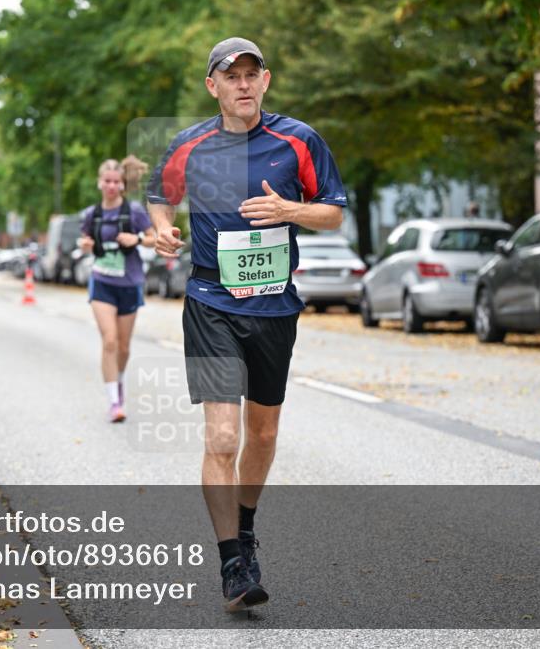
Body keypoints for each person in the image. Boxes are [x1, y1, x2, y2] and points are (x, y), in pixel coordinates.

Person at [147, 37, 347, 611]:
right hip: (210, 299)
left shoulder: (299, 140)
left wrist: (288, 210)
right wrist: (162, 227)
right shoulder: (189, 145)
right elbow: (159, 194)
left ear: (266, 81)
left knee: (261, 435)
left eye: (250, 73)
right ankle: (232, 560)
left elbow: (331, 213)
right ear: (212, 85)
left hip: (274, 305)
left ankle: (247, 526)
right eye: (229, 75)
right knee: (223, 437)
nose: (241, 83)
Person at [79, 159, 156, 423]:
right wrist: (86, 244)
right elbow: (85, 239)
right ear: (100, 182)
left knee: (123, 347)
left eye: (116, 181)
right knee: (109, 340)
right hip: (102, 281)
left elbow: (154, 238)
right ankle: (114, 401)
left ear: (122, 184)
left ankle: (119, 381)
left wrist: (136, 239)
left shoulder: (133, 211)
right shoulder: (92, 214)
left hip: (129, 283)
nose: (111, 186)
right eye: (107, 181)